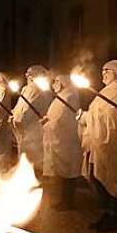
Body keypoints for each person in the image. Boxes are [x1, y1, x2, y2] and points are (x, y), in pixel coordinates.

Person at [78, 59, 117, 231]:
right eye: (102, 70)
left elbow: (111, 116)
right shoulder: (108, 90)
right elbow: (99, 113)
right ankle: (105, 213)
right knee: (98, 176)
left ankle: (114, 216)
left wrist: (88, 117)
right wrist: (87, 116)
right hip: (99, 141)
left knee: (113, 177)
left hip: (113, 142)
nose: (103, 73)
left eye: (108, 70)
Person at [41, 72, 83, 209]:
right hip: (60, 138)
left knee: (69, 171)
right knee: (63, 171)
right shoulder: (60, 97)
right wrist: (47, 119)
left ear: (63, 83)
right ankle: (63, 200)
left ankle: (68, 202)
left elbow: (63, 119)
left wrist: (49, 124)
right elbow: (54, 115)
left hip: (67, 139)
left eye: (56, 82)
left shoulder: (70, 96)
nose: (54, 85)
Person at [12, 65, 53, 175]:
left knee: (34, 159)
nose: (27, 76)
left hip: (34, 130)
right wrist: (14, 114)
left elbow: (26, 111)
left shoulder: (35, 90)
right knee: (28, 158)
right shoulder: (27, 89)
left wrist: (17, 119)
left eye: (29, 74)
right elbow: (20, 107)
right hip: (27, 130)